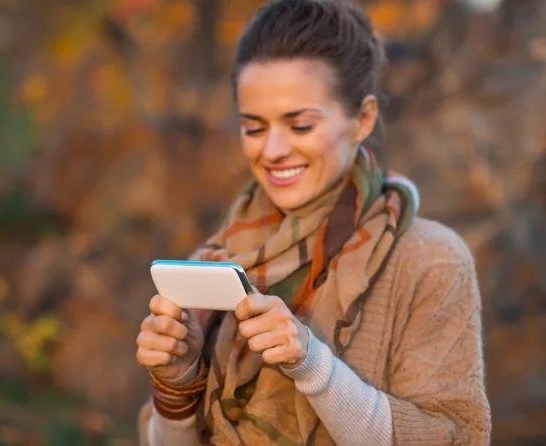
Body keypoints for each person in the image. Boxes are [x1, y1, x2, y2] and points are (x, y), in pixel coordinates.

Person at [135, 0, 491, 444]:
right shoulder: (215, 260)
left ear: (362, 120)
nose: (273, 151)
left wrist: (312, 365)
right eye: (254, 127)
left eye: (300, 125)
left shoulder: (431, 261)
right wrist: (175, 384)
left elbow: (456, 437)